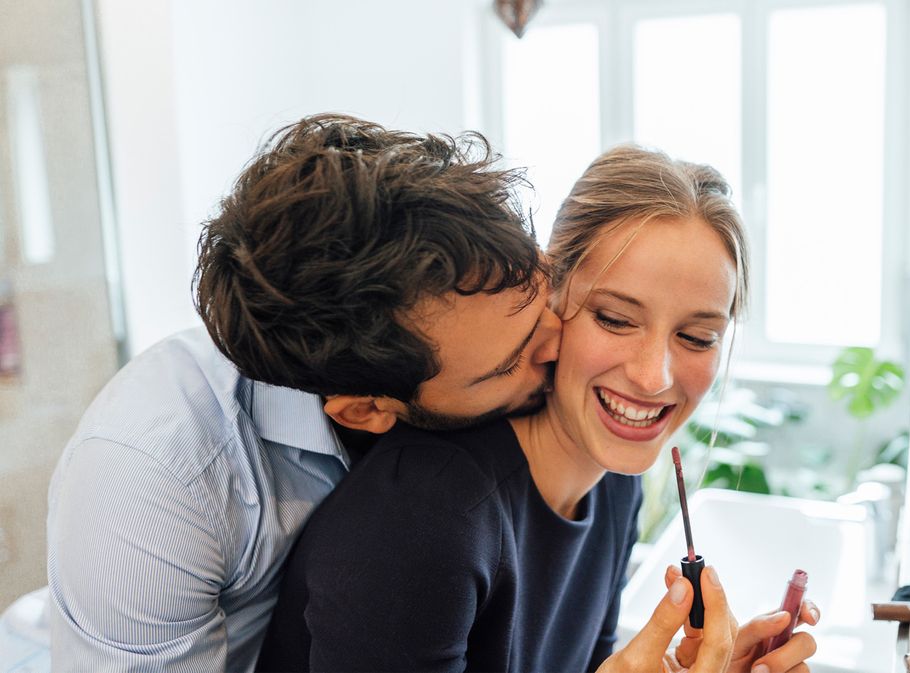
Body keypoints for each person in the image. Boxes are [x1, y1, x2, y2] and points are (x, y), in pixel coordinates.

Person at [47, 116, 709, 672]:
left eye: (542, 294)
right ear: (367, 410)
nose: (559, 342)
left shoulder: (443, 294)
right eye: (514, 359)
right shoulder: (150, 476)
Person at [255, 146, 820, 673]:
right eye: (615, 319)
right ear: (548, 293)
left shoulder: (614, 485)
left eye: (697, 337)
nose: (655, 377)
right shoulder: (426, 515)